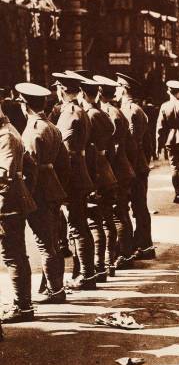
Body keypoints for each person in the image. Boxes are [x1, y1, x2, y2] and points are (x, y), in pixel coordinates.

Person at [16, 82, 68, 304]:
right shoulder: (52, 126)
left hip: (40, 193)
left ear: (25, 105)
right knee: (53, 240)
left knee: (44, 243)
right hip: (53, 188)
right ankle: (53, 285)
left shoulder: (33, 130)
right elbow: (64, 163)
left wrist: (26, 197)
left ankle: (55, 291)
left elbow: (30, 170)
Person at [53, 72, 96, 290]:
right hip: (79, 172)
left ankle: (86, 275)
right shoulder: (78, 109)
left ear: (62, 89)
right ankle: (85, 272)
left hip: (72, 176)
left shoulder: (70, 112)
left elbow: (67, 149)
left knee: (77, 225)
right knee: (78, 225)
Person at [76, 74, 118, 281]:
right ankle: (108, 263)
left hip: (96, 173)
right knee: (106, 219)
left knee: (95, 221)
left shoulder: (89, 115)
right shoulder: (101, 114)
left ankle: (100, 266)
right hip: (105, 170)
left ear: (84, 93)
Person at [94, 75, 136, 271]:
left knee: (118, 214)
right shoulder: (114, 111)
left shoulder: (111, 113)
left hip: (117, 170)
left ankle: (124, 255)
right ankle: (126, 252)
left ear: (100, 93)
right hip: (122, 169)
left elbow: (116, 148)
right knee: (120, 212)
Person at [0, 102, 36, 323]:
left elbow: (4, 173)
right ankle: (23, 304)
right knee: (15, 255)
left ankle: (22, 306)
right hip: (12, 202)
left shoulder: (6, 137)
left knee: (13, 255)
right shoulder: (8, 132)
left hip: (8, 205)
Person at [115, 72, 155, 259]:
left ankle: (144, 246)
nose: (115, 89)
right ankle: (143, 244)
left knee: (137, 206)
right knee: (139, 206)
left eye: (118, 86)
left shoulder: (130, 110)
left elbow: (131, 142)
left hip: (134, 166)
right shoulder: (134, 108)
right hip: (139, 164)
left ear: (124, 89)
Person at [156, 80, 179, 203]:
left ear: (168, 92)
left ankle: (177, 193)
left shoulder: (164, 106)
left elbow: (160, 128)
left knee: (174, 167)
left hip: (170, 139)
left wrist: (158, 146)